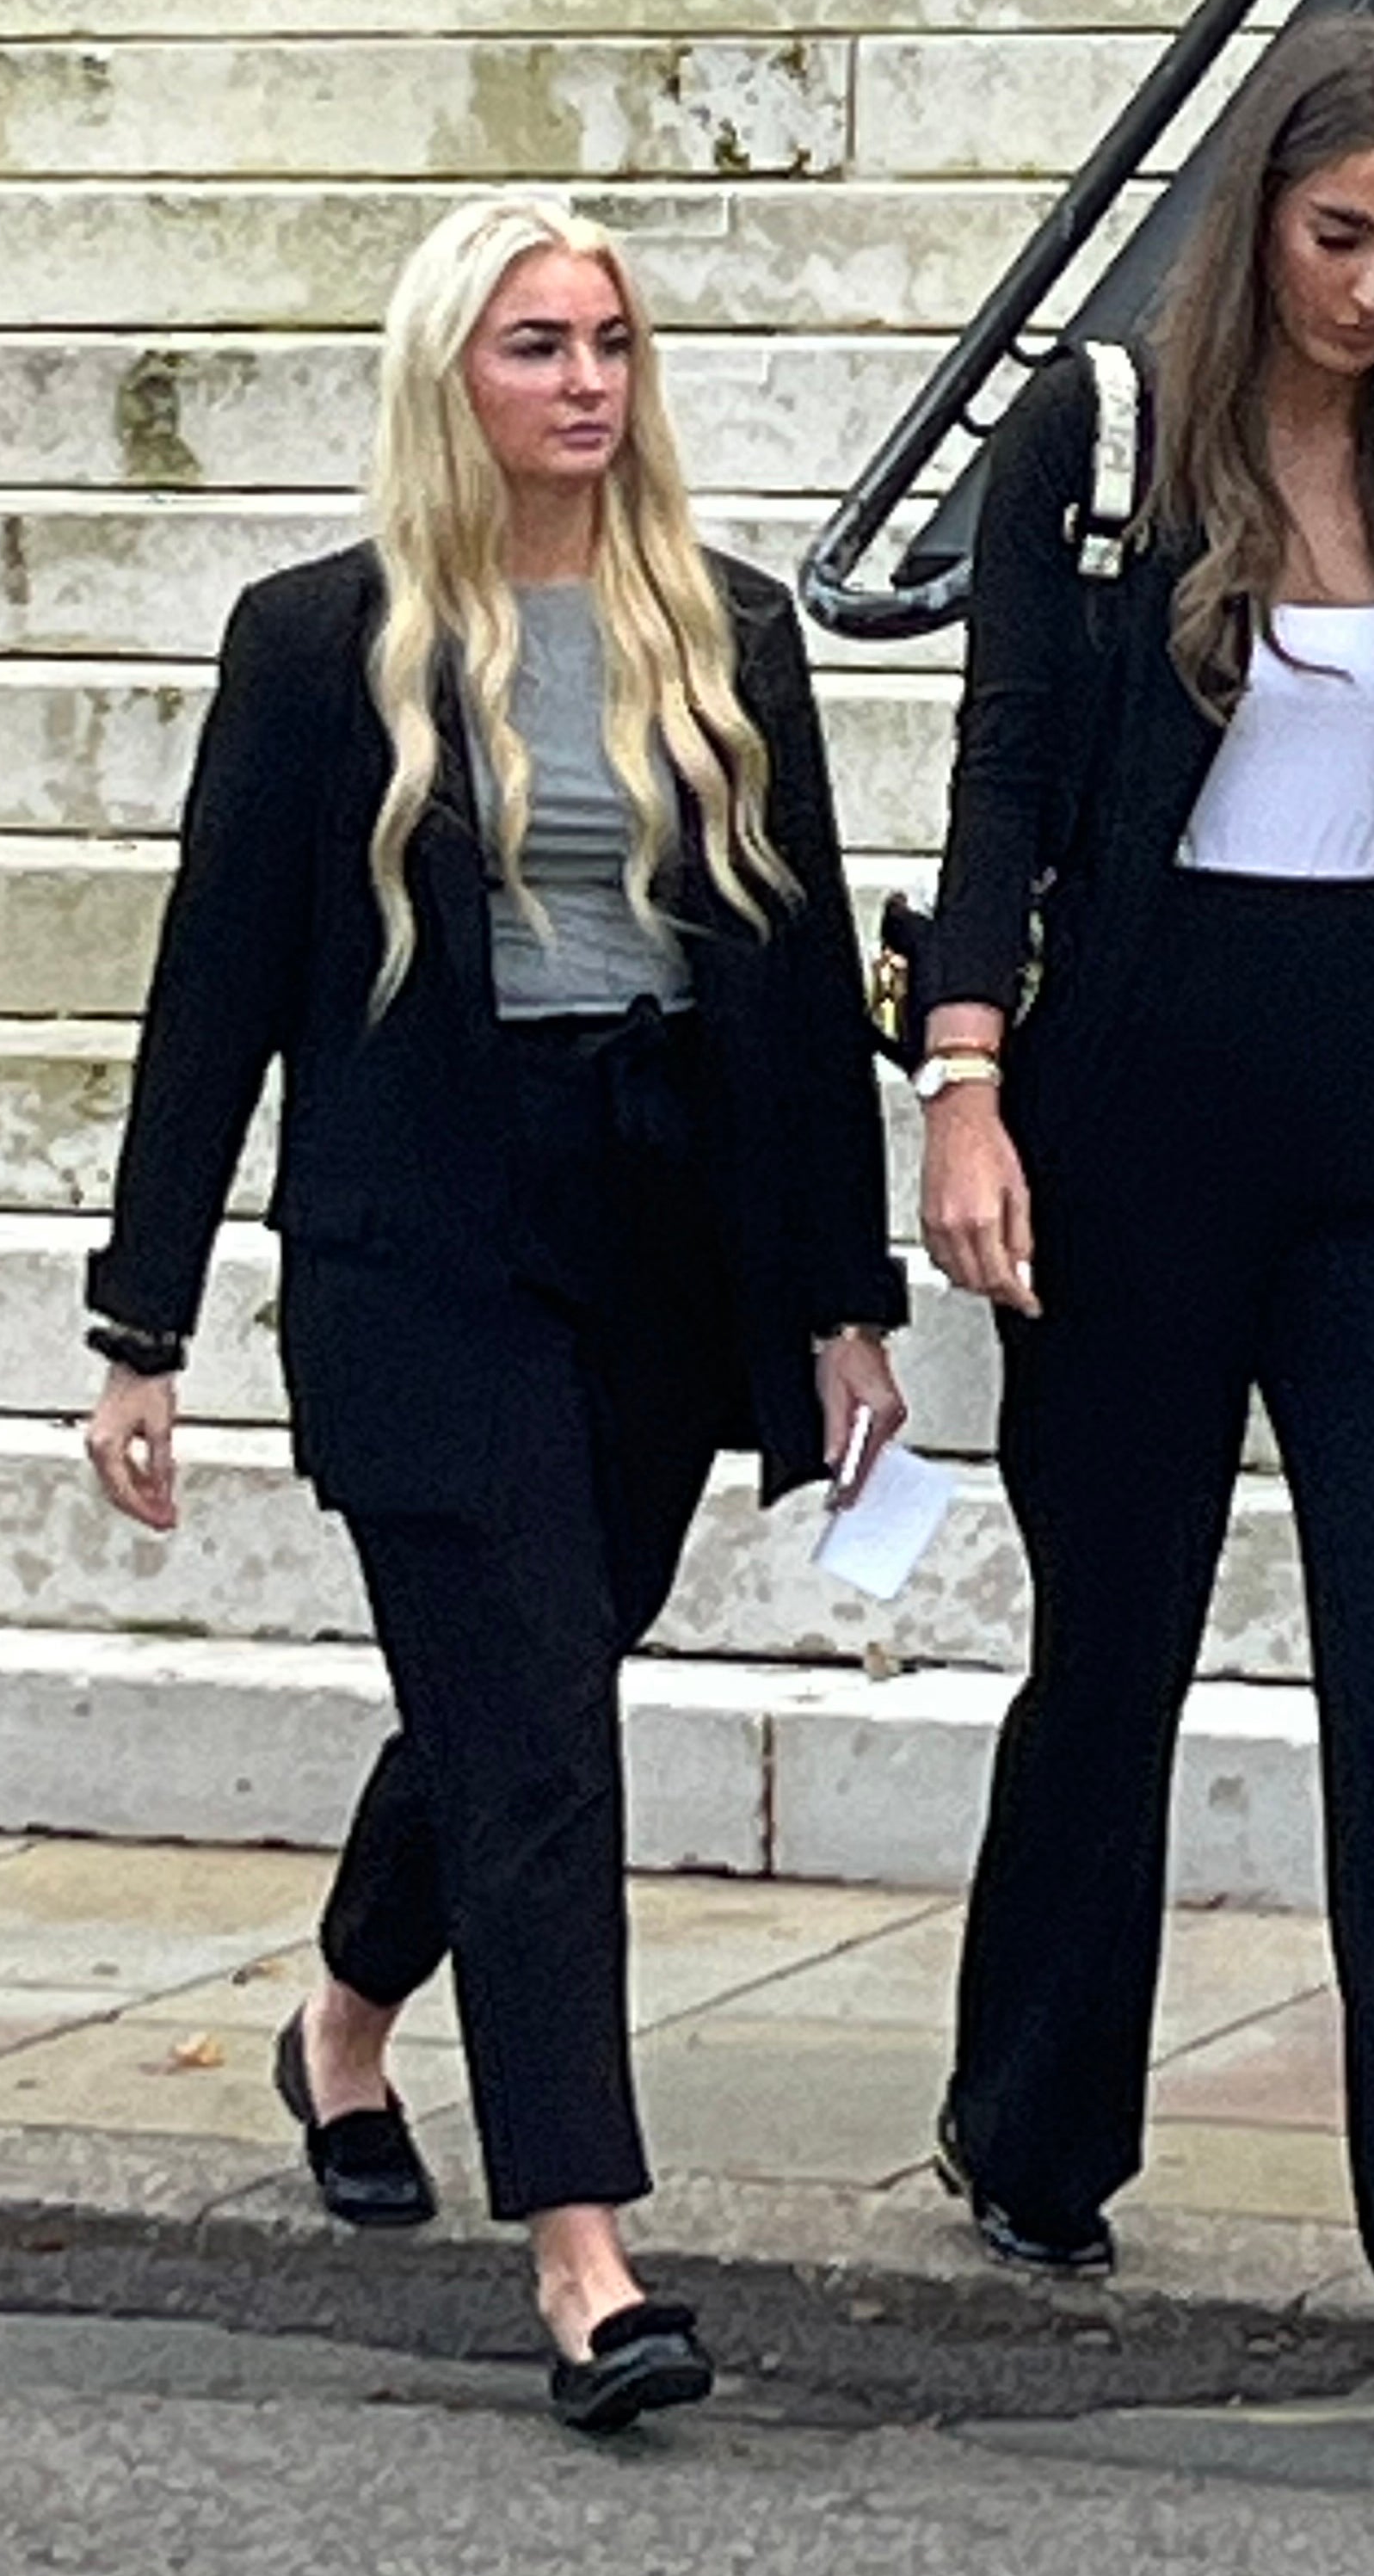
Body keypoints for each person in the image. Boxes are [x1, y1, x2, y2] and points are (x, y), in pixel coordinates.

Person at [82, 194, 907, 2437]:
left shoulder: (724, 631)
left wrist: (844, 1304)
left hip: (658, 1243)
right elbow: (210, 1004)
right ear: (454, 375)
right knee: (541, 1725)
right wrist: (139, 1323)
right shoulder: (318, 643)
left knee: (540, 1660)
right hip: (423, 1253)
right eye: (536, 344)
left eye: (611, 341)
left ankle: (345, 2011)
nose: (583, 381)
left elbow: (801, 998)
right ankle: (585, 2254)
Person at [915, 10, 1374, 2438]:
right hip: (1135, 1106)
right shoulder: (1103, 439)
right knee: (1109, 1644)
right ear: (1259, 220)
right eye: (1341, 239)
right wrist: (967, 1089)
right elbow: (1004, 772)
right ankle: (1029, 2122)